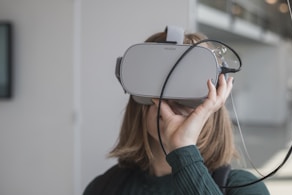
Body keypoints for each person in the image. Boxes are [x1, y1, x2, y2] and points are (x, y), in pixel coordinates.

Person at [83, 29, 270, 195]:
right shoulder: (103, 188)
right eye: (160, 82)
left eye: (187, 85)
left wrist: (183, 149)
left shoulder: (244, 188)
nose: (170, 100)